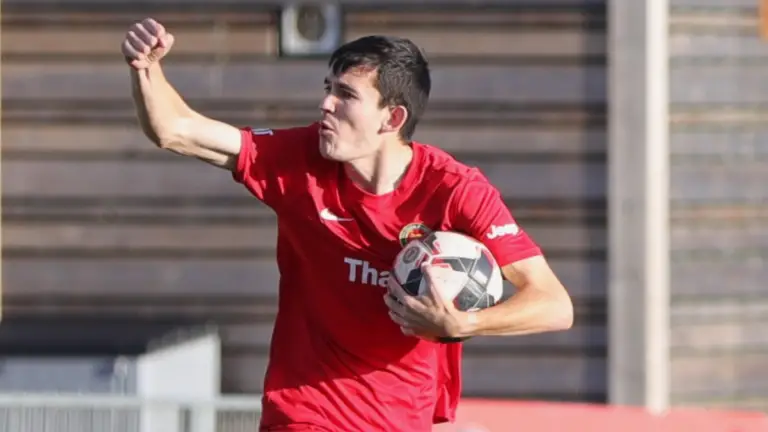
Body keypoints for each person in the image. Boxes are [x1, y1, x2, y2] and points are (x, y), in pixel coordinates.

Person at [122, 17, 574, 432]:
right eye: (327, 88)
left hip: (401, 420)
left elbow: (554, 305)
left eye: (346, 95)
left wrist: (464, 322)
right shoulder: (299, 160)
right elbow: (175, 129)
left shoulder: (454, 190)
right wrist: (146, 68)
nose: (325, 104)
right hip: (304, 414)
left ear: (392, 118)